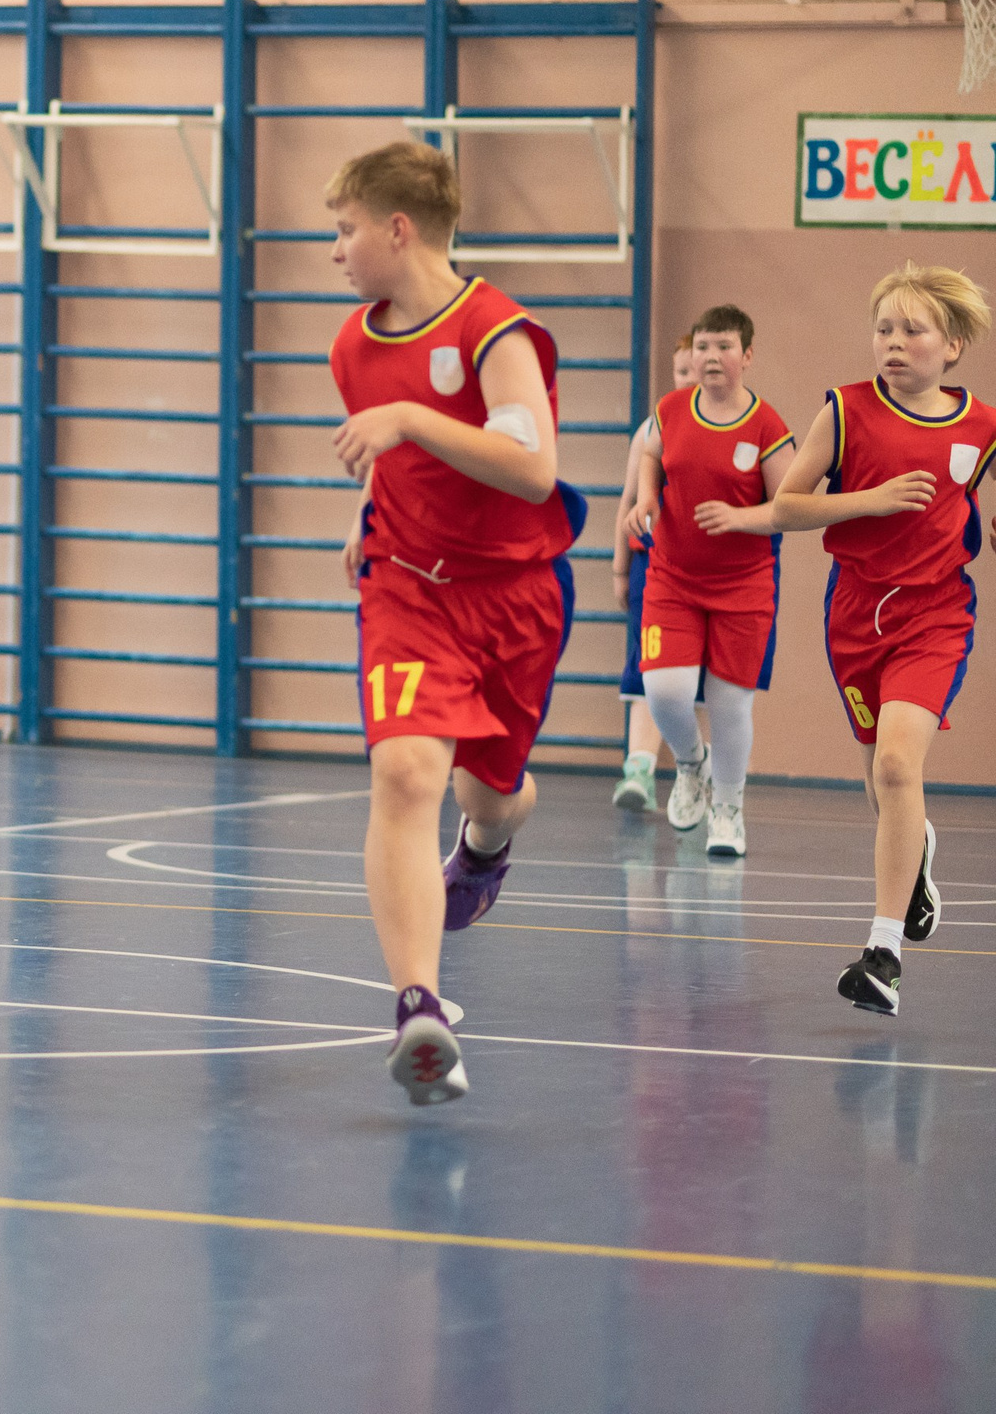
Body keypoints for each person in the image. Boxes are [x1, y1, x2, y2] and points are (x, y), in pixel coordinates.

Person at [327, 141, 584, 1106]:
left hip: (515, 599)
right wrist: (368, 518)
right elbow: (397, 461)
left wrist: (408, 419)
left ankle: (487, 846)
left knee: (492, 793)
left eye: (345, 229)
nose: (336, 250)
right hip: (408, 588)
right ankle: (419, 1009)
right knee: (404, 771)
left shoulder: (495, 330)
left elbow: (529, 469)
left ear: (398, 228)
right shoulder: (352, 343)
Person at [768, 262, 996, 1017]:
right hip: (855, 613)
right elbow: (786, 508)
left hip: (936, 614)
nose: (894, 344)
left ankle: (883, 953)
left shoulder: (983, 425)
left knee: (898, 764)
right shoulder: (844, 411)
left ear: (954, 345)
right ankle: (918, 852)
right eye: (884, 329)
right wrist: (869, 500)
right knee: (881, 783)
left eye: (913, 331)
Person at [619, 306, 795, 857]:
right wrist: (647, 495)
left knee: (728, 706)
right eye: (702, 347)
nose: (710, 356)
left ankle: (728, 810)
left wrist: (739, 518)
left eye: (723, 346)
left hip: (744, 586)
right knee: (664, 692)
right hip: (672, 578)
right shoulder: (670, 409)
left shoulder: (767, 427)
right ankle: (690, 764)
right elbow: (650, 454)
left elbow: (789, 507)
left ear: (746, 356)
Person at [610, 337, 698, 814]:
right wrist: (621, 567)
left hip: (704, 570)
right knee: (648, 666)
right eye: (681, 371)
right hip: (653, 566)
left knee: (702, 682)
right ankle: (638, 767)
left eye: (697, 371)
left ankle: (697, 772)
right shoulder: (652, 429)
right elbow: (627, 501)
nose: (688, 381)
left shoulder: (732, 429)